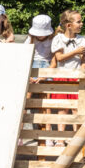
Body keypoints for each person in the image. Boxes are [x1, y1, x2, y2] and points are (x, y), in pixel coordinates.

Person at [51, 10, 85, 147]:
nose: (81, 24)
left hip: (76, 76)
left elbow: (84, 60)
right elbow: (59, 58)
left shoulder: (82, 40)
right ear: (68, 25)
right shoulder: (58, 39)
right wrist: (75, 52)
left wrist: (82, 73)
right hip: (62, 76)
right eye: (78, 21)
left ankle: (76, 138)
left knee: (77, 108)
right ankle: (60, 139)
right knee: (62, 108)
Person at [24, 14, 56, 146]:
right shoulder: (30, 39)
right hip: (32, 68)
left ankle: (47, 133)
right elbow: (24, 56)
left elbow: (54, 61)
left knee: (45, 102)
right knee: (27, 101)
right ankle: (23, 131)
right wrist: (29, 75)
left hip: (46, 68)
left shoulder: (52, 40)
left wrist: (44, 75)